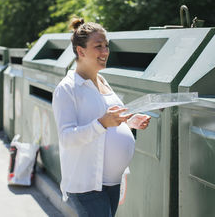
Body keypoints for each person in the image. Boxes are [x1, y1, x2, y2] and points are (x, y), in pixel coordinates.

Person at [52, 18, 151, 217]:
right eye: (98, 46)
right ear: (81, 51)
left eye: (106, 46)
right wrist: (101, 123)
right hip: (87, 186)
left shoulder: (102, 80)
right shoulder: (67, 89)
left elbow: (109, 117)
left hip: (111, 183)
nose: (105, 52)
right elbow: (67, 137)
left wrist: (130, 121)